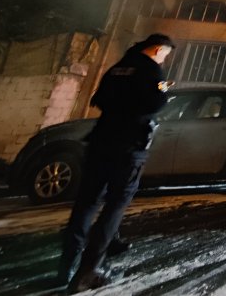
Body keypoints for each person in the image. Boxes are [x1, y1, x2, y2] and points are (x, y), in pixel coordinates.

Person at [58, 33, 175, 292]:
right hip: (129, 145)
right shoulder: (151, 70)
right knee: (115, 205)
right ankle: (88, 271)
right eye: (165, 55)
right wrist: (165, 87)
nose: (164, 59)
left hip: (101, 141)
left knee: (87, 203)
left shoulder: (118, 67)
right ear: (158, 50)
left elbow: (98, 99)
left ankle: (67, 264)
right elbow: (158, 102)